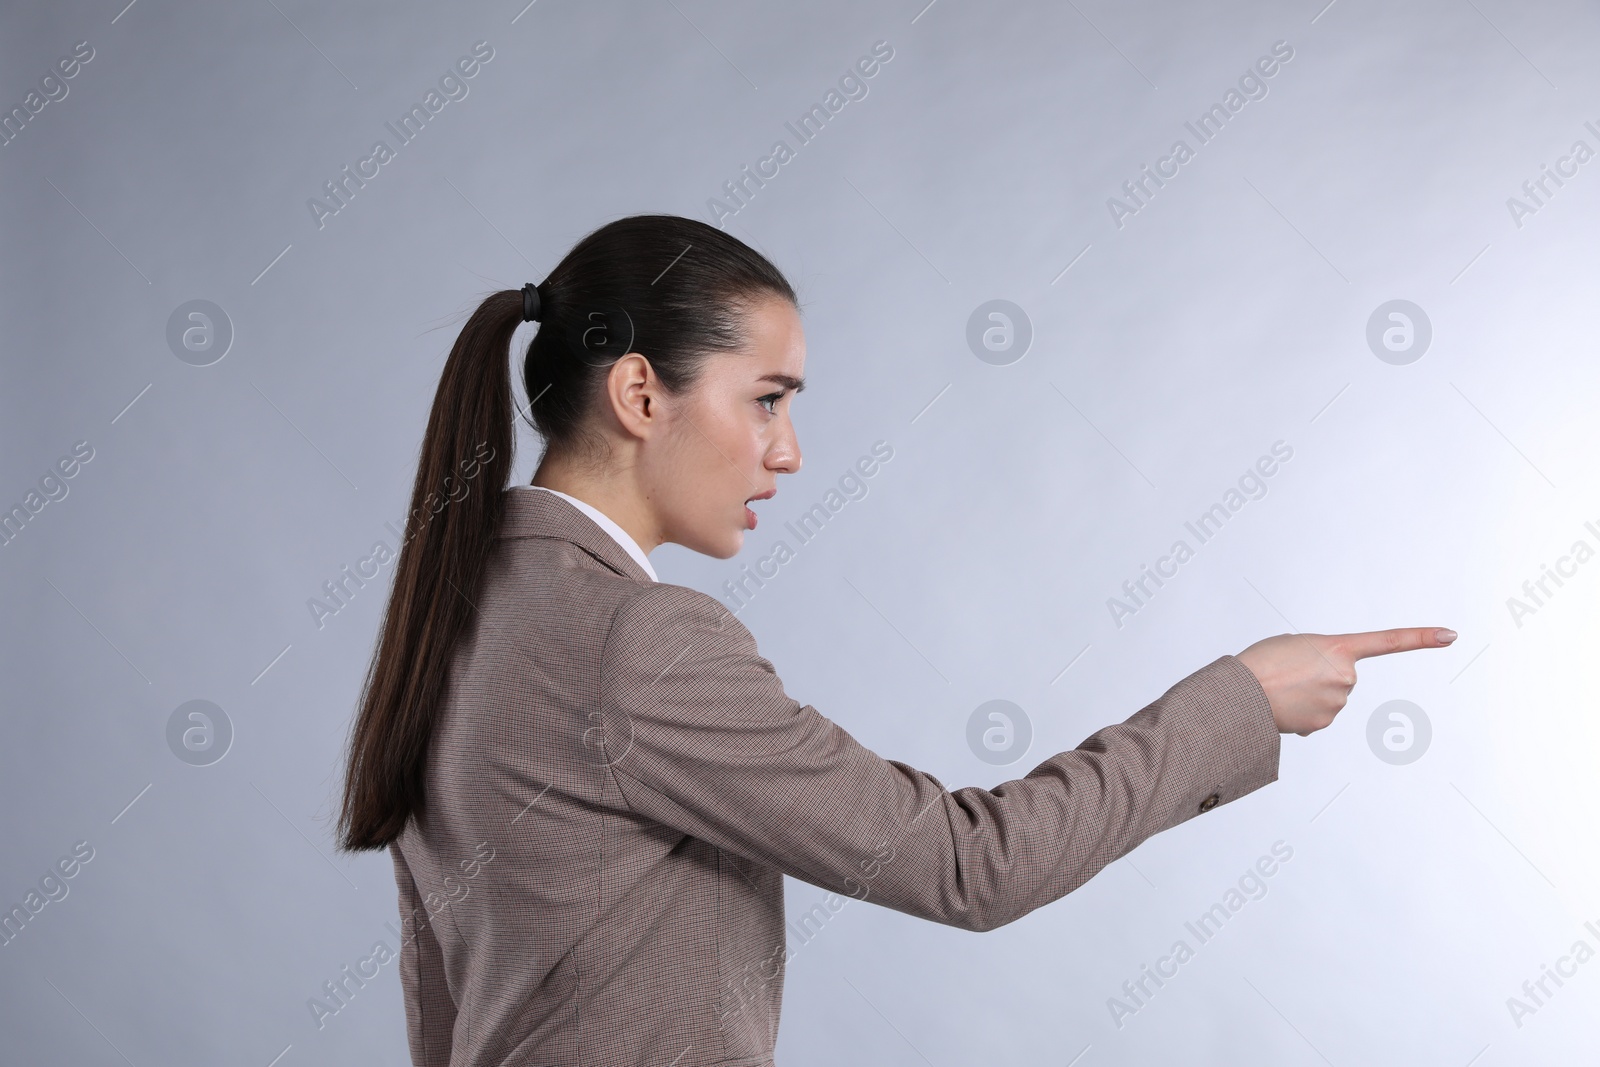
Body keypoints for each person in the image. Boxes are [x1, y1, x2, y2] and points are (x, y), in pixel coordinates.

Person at [335, 214, 1456, 1067]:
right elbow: (971, 864)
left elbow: (439, 996)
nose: (788, 450)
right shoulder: (639, 642)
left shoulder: (459, 613)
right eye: (767, 398)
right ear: (639, 392)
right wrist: (1241, 699)